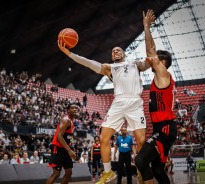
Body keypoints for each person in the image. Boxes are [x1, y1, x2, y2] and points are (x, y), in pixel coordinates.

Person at [58, 29, 151, 184]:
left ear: (124, 54)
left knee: (141, 141)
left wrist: (147, 29)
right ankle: (108, 172)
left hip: (135, 102)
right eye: (113, 51)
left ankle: (142, 168)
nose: (115, 52)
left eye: (118, 50)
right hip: (118, 102)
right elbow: (88, 63)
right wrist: (69, 54)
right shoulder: (109, 68)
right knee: (103, 137)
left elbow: (148, 62)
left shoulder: (134, 64)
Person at [134, 9, 177, 184]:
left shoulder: (163, 74)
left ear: (162, 63)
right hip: (163, 128)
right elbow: (152, 53)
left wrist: (146, 27)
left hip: (165, 128)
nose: (153, 59)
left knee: (140, 160)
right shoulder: (160, 78)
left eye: (157, 58)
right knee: (158, 169)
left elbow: (150, 51)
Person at [45, 103, 78, 184]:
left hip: (65, 149)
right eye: (72, 108)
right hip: (58, 148)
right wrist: (69, 150)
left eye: (76, 108)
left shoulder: (71, 122)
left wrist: (70, 148)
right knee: (56, 173)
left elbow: (67, 137)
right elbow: (59, 136)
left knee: (68, 172)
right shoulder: (66, 120)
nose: (75, 109)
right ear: (68, 110)